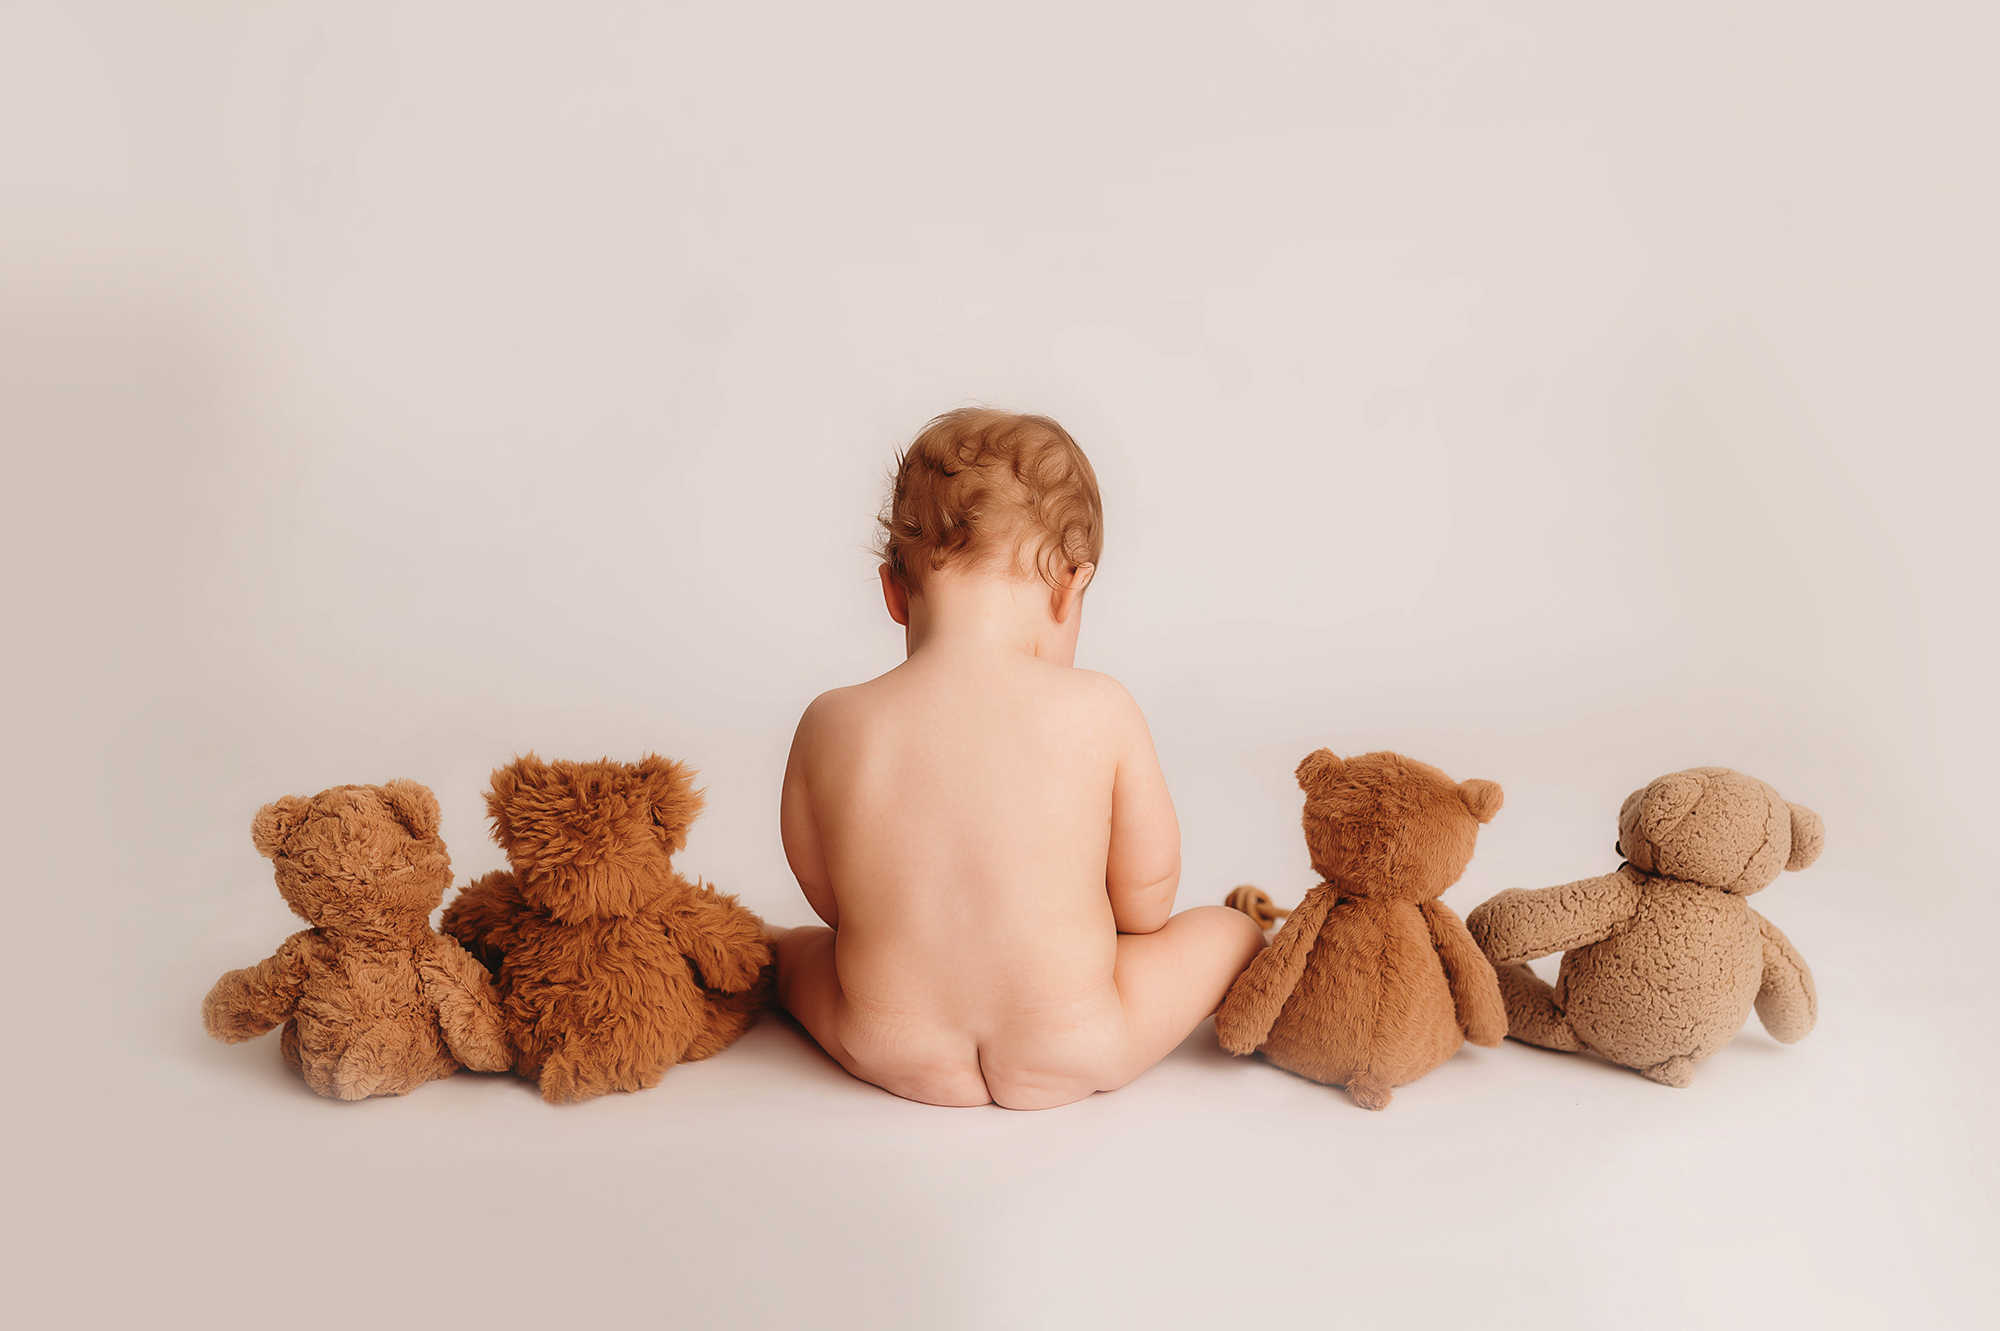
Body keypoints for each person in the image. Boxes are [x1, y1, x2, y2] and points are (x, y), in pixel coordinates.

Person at [771, 408, 1265, 1109]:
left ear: (893, 592)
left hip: (883, 1039)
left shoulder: (831, 720)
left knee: (795, 955)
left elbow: (830, 900)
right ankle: (1264, 960)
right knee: (1226, 930)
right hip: (1078, 1038)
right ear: (1071, 586)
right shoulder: (1101, 708)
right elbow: (1146, 905)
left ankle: (752, 959)